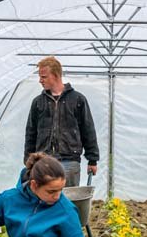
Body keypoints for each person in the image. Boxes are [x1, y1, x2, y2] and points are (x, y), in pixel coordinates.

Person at [24, 56, 99, 187]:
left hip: (70, 161)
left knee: (68, 199)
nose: (40, 80)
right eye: (40, 77)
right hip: (43, 161)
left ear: (56, 75)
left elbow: (88, 130)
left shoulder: (77, 100)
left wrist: (92, 160)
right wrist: (28, 161)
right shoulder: (38, 102)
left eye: (44, 77)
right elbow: (31, 133)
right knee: (45, 199)